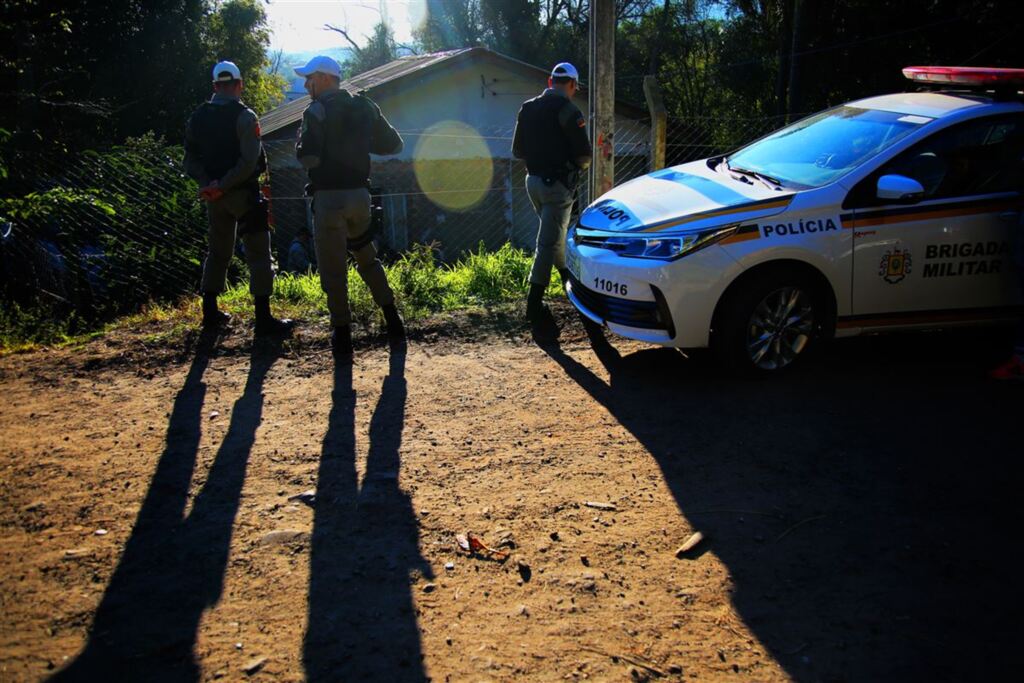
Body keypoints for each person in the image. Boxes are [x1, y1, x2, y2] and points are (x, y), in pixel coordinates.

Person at [294, 55, 405, 362]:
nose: (306, 84)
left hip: (329, 199)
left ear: (325, 79)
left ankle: (342, 336)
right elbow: (393, 145)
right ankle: (393, 319)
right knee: (367, 258)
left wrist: (304, 144)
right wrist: (358, 142)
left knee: (333, 269)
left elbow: (309, 159)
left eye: (310, 78)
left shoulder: (315, 112)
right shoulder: (364, 106)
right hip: (360, 196)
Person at [184, 60, 292, 334]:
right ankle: (264, 318)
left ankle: (210, 312)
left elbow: (190, 160)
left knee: (218, 251)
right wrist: (226, 184)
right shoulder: (245, 117)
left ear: (215, 86)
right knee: (258, 253)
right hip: (244, 194)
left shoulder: (197, 117)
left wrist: (210, 184)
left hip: (214, 198)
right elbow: (249, 161)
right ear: (239, 85)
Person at [512, 62, 593, 330]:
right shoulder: (569, 110)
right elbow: (584, 157)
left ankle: (568, 282)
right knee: (547, 243)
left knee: (553, 235)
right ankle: (533, 306)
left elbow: (517, 151)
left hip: (531, 182)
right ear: (572, 85)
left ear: (550, 81)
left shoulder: (527, 108)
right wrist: (573, 168)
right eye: (575, 87)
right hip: (558, 186)